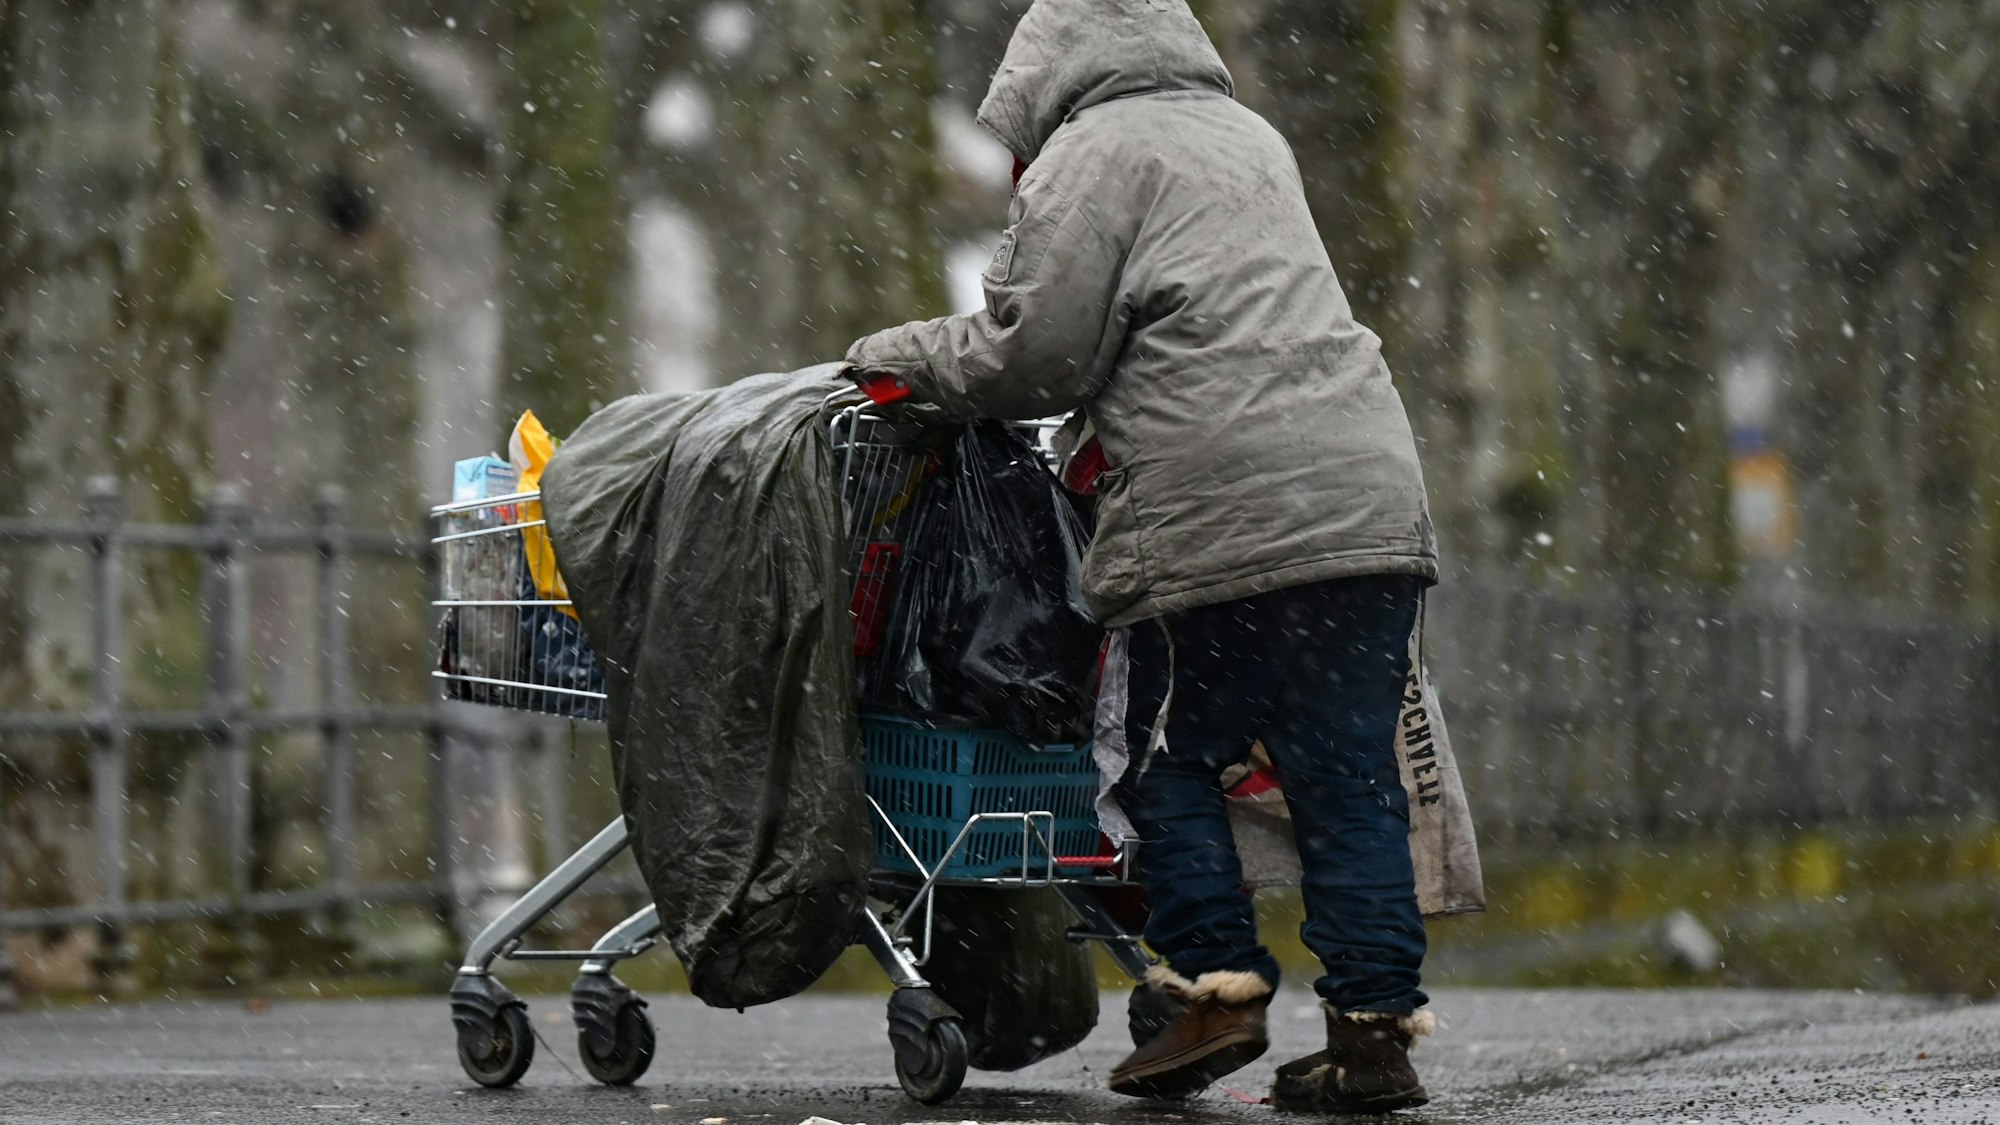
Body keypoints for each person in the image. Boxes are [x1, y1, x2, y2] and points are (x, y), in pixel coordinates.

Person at [843, 0, 1438, 1113]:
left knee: (1160, 758)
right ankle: (1370, 1039)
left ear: (1039, 76)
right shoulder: (1250, 136)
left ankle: (1214, 990)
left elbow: (1037, 355)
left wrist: (893, 355)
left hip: (1217, 506)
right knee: (1344, 781)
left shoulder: (1091, 152)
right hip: (1368, 496)